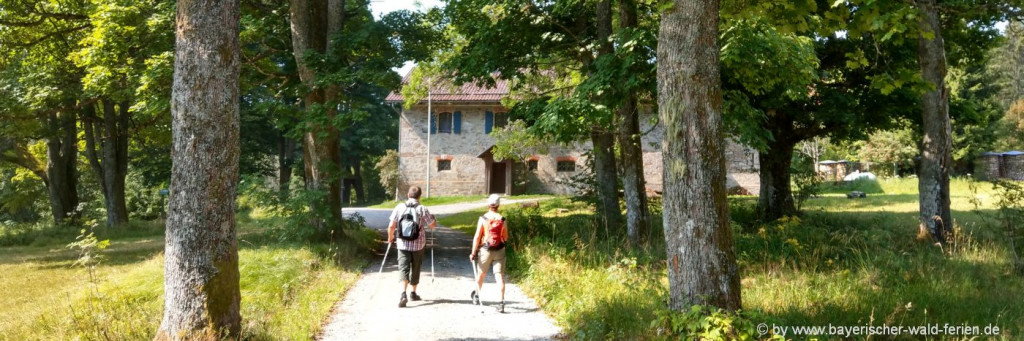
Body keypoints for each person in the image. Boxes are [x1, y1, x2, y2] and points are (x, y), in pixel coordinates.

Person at [388, 186, 437, 308]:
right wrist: (434, 218)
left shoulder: (399, 207)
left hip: (402, 244)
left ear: (408, 195)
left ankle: (403, 293)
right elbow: (432, 226)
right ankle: (413, 293)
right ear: (419, 196)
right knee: (416, 267)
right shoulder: (422, 209)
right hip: (418, 244)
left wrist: (390, 238)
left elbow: (391, 226)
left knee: (403, 268)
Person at [470, 194, 510, 313]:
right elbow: (506, 237)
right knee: (499, 276)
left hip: (485, 250)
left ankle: (476, 296)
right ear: (498, 205)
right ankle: (501, 303)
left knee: (481, 274)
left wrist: (473, 252)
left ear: (488, 204)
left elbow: (477, 237)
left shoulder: (483, 218)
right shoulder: (502, 219)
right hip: (500, 250)